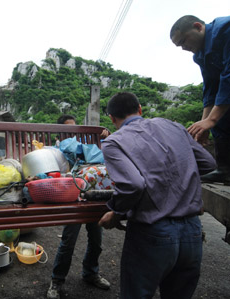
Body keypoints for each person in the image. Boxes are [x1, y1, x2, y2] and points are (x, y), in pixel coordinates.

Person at [99, 92, 216, 298]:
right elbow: (208, 164)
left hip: (153, 232)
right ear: (140, 109)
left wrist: (115, 212)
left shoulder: (113, 141)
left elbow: (133, 185)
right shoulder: (174, 127)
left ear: (112, 118)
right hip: (192, 230)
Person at [170, 15, 230, 200]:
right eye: (179, 45)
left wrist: (211, 119)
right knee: (221, 118)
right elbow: (211, 89)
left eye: (184, 41)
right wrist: (206, 123)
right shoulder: (201, 56)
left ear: (198, 27)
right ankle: (226, 171)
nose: (183, 48)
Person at [47, 114, 110, 299]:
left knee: (97, 240)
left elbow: (102, 159)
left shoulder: (85, 146)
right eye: (68, 130)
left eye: (74, 129)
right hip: (73, 197)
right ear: (60, 133)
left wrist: (105, 138)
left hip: (94, 194)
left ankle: (91, 273)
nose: (71, 135)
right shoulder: (57, 150)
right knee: (68, 241)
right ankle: (57, 280)